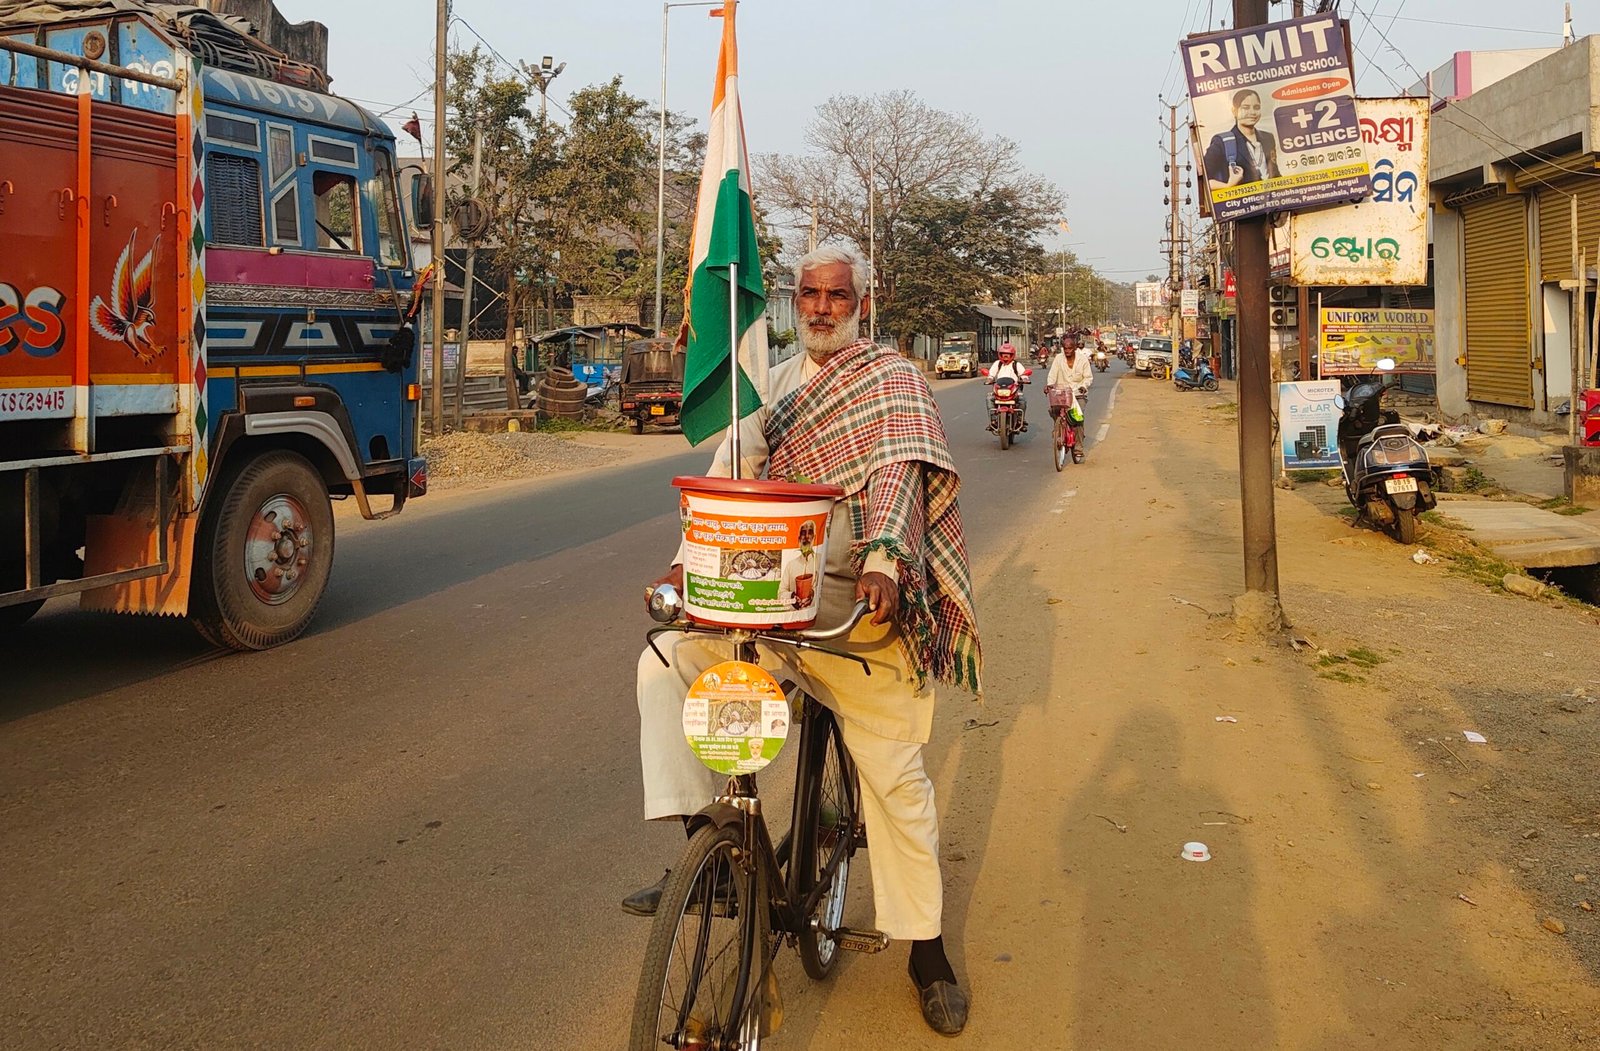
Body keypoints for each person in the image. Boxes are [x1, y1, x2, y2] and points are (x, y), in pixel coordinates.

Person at [626, 244, 981, 1036]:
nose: (821, 307)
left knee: (895, 779)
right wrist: (686, 564)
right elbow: (726, 482)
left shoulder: (892, 379)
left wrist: (886, 563)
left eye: (837, 295)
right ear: (796, 299)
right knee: (665, 660)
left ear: (862, 302)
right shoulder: (771, 385)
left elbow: (899, 476)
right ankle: (708, 844)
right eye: (810, 293)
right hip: (765, 607)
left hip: (854, 612)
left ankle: (926, 949)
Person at [1202, 88, 1280, 190]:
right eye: (1245, 108)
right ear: (1234, 111)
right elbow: (1205, 178)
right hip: (1241, 199)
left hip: (1272, 197)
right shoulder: (1222, 142)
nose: (1252, 112)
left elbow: (1274, 173)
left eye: (1256, 107)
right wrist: (1228, 186)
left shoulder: (1268, 137)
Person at [1047, 336, 1094, 463]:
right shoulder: (1058, 359)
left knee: (1078, 418)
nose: (1067, 351)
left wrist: (1084, 386)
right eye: (1065, 348)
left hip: (1077, 394)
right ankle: (1058, 428)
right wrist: (1049, 385)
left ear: (1075, 348)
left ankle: (1078, 448)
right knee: (1053, 410)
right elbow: (1052, 375)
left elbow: (1088, 377)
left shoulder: (1082, 360)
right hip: (1062, 393)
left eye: (1070, 348)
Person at [984, 341, 1029, 434]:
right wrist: (989, 379)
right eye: (1003, 354)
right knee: (989, 398)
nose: (1005, 356)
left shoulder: (1016, 364)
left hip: (1013, 391)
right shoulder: (997, 364)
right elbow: (991, 375)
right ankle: (993, 420)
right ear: (1000, 354)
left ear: (1012, 355)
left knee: (1022, 399)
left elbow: (1024, 374)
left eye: (1008, 354)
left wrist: (1025, 379)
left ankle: (1020, 420)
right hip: (999, 390)